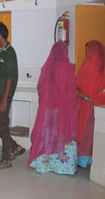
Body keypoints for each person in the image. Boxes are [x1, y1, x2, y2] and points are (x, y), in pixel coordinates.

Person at [28, 41, 78, 174]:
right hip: (62, 109)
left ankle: (44, 164)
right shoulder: (67, 67)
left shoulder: (47, 67)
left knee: (47, 134)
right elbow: (70, 90)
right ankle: (63, 167)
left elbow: (41, 87)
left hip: (48, 109)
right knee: (62, 133)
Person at [0, 22, 25, 169]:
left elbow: (10, 77)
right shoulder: (2, 50)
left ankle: (6, 158)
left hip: (4, 95)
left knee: (3, 124)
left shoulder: (10, 51)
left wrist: (5, 99)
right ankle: (14, 146)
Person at [76, 40, 105, 168]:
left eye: (88, 50)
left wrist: (86, 97)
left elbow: (76, 86)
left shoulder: (87, 67)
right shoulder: (100, 68)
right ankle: (91, 159)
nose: (86, 53)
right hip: (95, 107)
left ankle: (83, 159)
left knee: (84, 132)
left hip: (86, 106)